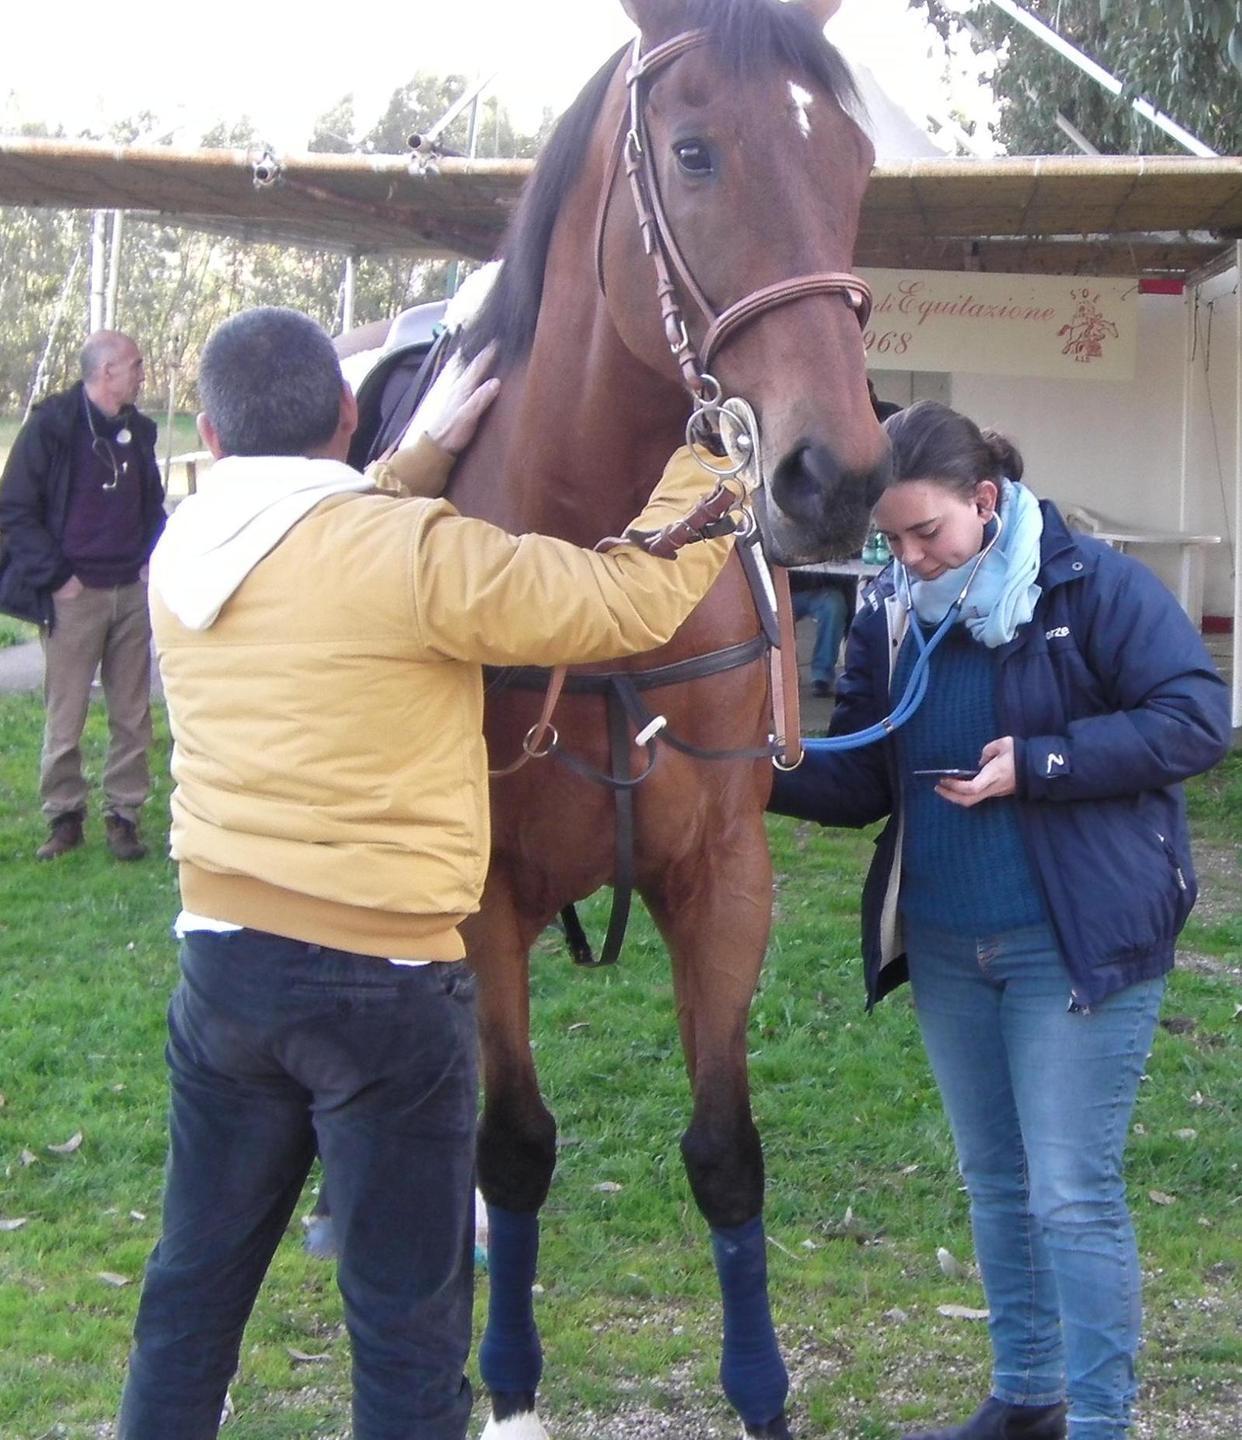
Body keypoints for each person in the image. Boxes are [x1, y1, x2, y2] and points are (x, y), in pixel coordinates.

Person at [116, 307, 738, 1440]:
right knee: (406, 1327)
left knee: (190, 1295)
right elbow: (623, 601)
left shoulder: (186, 545)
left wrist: (416, 460)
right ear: (347, 412)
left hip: (224, 974)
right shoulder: (417, 556)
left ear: (208, 433)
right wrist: (717, 471)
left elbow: (311, 539)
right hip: (385, 986)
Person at [770, 400, 1230, 1440]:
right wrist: (743, 772)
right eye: (890, 540)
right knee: (997, 1183)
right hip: (945, 942)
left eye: (925, 532)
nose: (910, 558)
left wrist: (1043, 762)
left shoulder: (1090, 584)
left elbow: (1197, 718)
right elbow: (863, 780)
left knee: (1070, 1193)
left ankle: (1101, 1423)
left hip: (1070, 939)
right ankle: (1027, 1398)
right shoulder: (895, 613)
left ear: (985, 500)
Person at [0, 331, 165, 861]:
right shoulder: (53, 425)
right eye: (136, 364)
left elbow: (152, 505)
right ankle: (64, 816)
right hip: (74, 595)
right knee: (65, 713)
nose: (143, 373)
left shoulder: (138, 430)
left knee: (132, 714)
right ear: (106, 371)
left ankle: (124, 815)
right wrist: (57, 578)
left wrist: (150, 555)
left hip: (130, 592)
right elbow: (14, 508)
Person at [790, 572, 850, 696]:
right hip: (782, 590)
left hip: (822, 589)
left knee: (834, 605)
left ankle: (821, 677)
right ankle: (784, 673)